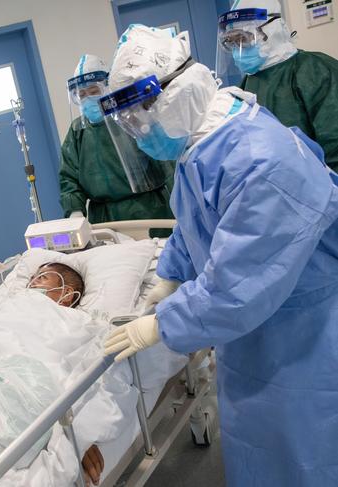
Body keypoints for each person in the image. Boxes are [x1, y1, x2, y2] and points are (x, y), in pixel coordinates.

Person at [101, 24, 338, 486]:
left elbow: (239, 284)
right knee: (262, 456)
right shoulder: (206, 146)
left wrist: (163, 323)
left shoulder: (260, 162)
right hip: (259, 339)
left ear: (178, 94)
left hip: (303, 341)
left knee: (306, 460)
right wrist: (168, 278)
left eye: (139, 114)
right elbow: (195, 225)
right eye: (126, 121)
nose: (136, 131)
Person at [60, 54, 173, 237]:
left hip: (150, 210)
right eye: (82, 94)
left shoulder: (130, 116)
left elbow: (166, 161)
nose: (88, 99)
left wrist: (183, 201)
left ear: (106, 88)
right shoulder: (77, 132)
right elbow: (68, 178)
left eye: (93, 91)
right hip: (104, 219)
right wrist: (75, 211)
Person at [217, 0, 338, 170]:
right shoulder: (246, 84)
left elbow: (334, 144)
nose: (238, 49)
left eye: (243, 39)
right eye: (232, 42)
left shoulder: (316, 71)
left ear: (271, 30)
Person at [27, 261, 104, 485]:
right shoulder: (6, 307)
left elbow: (70, 367)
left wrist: (78, 431)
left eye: (41, 278)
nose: (32, 282)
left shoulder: (76, 323)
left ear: (67, 293)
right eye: (32, 277)